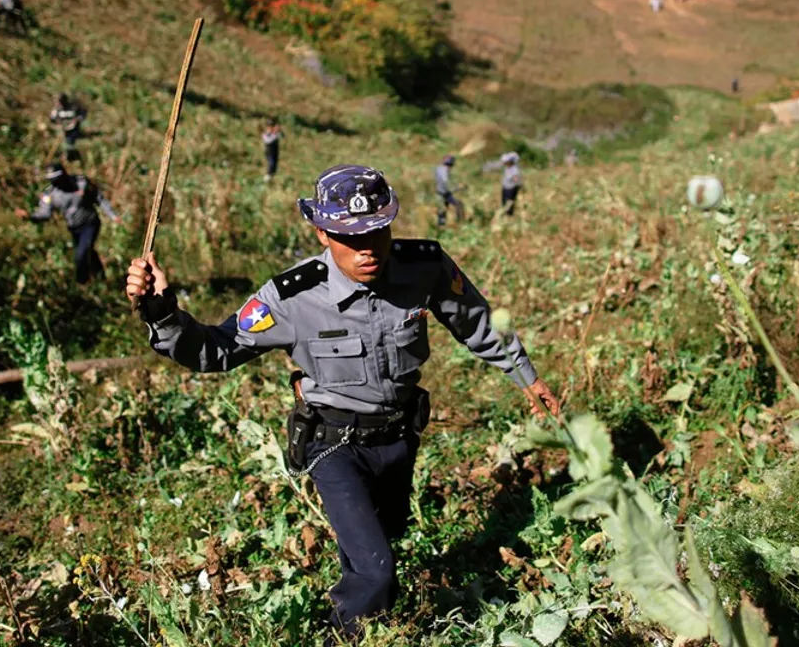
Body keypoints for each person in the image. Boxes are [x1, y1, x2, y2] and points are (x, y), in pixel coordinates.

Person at [124, 165, 560, 637]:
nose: (366, 249)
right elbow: (217, 349)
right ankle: (341, 634)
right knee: (377, 572)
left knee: (383, 539)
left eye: (377, 233)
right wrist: (161, 311)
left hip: (397, 437)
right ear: (322, 233)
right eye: (349, 238)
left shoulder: (424, 267)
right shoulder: (291, 296)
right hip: (334, 443)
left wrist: (526, 376)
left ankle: (367, 609)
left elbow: (476, 322)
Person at [17, 163, 119, 283]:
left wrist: (113, 215)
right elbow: (44, 213)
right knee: (88, 251)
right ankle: (101, 278)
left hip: (90, 223)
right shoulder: (50, 194)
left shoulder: (81, 182)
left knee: (81, 254)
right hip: (74, 228)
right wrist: (29, 216)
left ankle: (82, 284)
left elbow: (98, 198)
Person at [434, 155, 464, 227]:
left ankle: (441, 225)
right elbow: (447, 185)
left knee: (444, 210)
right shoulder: (445, 171)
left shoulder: (439, 169)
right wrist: (458, 187)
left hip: (442, 193)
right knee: (455, 206)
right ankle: (460, 223)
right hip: (443, 194)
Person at [500, 152, 523, 216]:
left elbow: (516, 179)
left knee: (509, 201)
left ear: (510, 161)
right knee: (504, 201)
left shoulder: (514, 169)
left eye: (506, 162)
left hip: (511, 188)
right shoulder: (507, 168)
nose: (505, 163)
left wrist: (519, 185)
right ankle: (505, 212)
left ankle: (509, 214)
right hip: (505, 187)